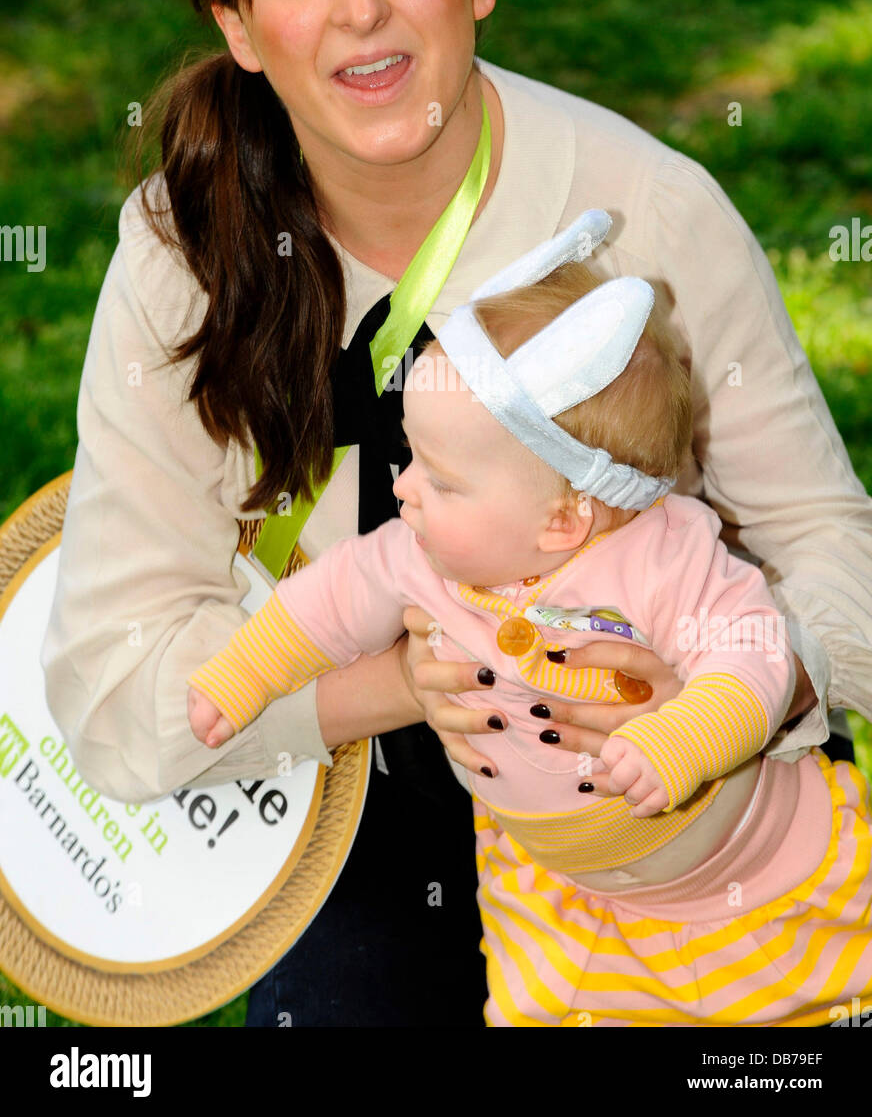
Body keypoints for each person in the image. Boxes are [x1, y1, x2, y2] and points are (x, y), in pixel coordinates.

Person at [39, 0, 872, 1028]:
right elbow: (110, 698)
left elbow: (834, 551)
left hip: (672, 805)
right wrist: (392, 688)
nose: (362, 9)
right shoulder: (181, 252)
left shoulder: (646, 208)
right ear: (238, 27)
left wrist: (729, 694)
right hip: (353, 774)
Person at [184, 219, 872, 1026]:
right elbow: (329, 598)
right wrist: (245, 673)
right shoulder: (419, 554)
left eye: (440, 479)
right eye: (411, 458)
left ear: (563, 520)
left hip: (740, 880)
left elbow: (753, 653)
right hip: (550, 893)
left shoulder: (664, 557)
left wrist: (684, 734)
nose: (403, 489)